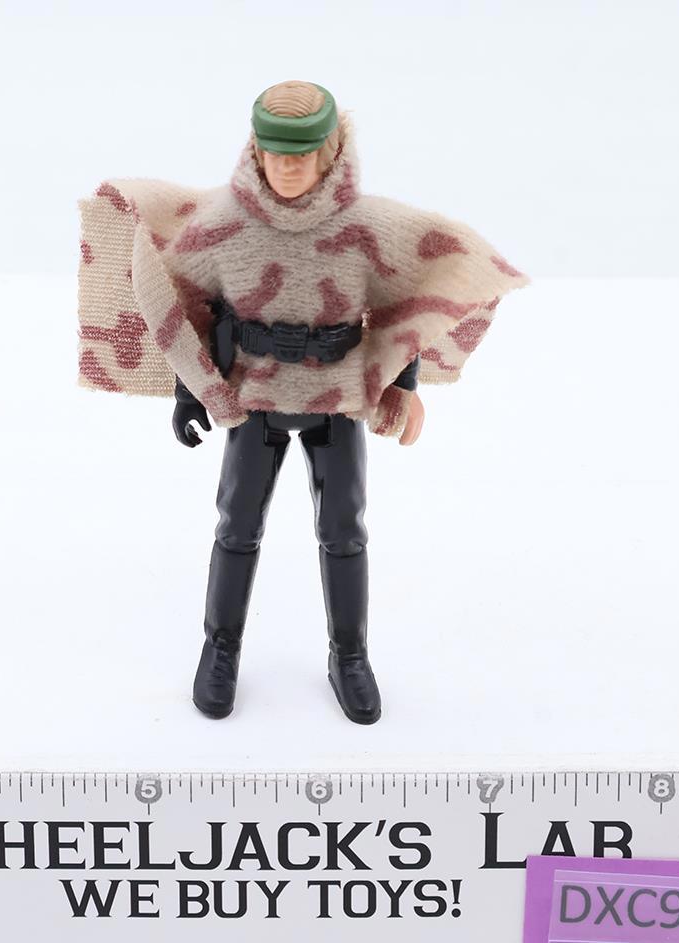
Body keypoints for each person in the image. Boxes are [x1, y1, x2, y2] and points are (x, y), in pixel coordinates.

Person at [77, 80, 527, 723]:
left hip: (334, 402)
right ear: (257, 149)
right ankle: (220, 649)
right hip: (254, 400)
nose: (289, 167)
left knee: (344, 533)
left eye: (303, 153)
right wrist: (189, 390)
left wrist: (405, 387)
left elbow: (407, 300)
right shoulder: (225, 225)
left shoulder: (367, 226)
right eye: (276, 152)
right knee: (236, 529)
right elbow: (184, 301)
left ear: (331, 150)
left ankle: (351, 656)